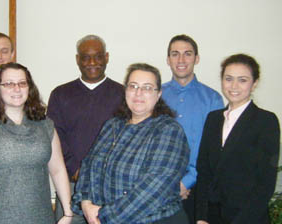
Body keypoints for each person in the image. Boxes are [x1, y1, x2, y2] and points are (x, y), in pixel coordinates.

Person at [0, 62, 72, 224]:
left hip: (39, 218)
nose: (16, 88)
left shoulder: (45, 125)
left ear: (29, 88)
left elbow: (58, 170)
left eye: (22, 83)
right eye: (8, 83)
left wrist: (67, 211)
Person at [72, 63, 190, 224]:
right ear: (125, 90)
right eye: (133, 86)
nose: (138, 93)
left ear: (158, 94)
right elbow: (88, 165)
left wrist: (103, 215)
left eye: (147, 88)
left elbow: (154, 189)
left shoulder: (168, 130)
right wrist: (85, 202)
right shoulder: (113, 125)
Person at [47, 34, 124, 224]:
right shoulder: (60, 94)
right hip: (71, 185)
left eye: (97, 56)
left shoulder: (123, 94)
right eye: (85, 57)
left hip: (111, 187)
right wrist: (75, 169)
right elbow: (54, 135)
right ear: (77, 60)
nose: (92, 62)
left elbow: (127, 137)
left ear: (106, 57)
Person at [195, 54, 280, 224]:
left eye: (242, 80)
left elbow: (265, 183)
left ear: (254, 84)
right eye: (228, 79)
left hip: (248, 217)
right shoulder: (213, 118)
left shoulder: (265, 121)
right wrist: (201, 217)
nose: (234, 86)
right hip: (212, 216)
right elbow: (204, 171)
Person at [161, 34, 224, 223]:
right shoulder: (155, 95)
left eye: (187, 54)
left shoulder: (213, 99)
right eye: (175, 54)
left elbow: (213, 149)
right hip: (160, 186)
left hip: (200, 187)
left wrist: (186, 181)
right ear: (168, 59)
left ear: (196, 58)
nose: (181, 60)